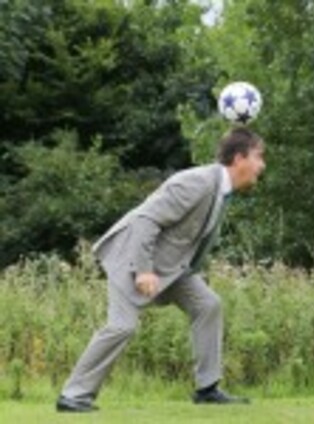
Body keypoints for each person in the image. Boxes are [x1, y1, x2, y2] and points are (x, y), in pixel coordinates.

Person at [56, 127, 266, 412]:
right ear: (239, 158)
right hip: (132, 257)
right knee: (122, 326)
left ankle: (207, 389)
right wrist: (143, 270)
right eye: (258, 156)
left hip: (171, 267)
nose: (262, 165)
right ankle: (73, 396)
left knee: (207, 305)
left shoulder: (220, 190)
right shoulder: (197, 182)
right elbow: (146, 220)